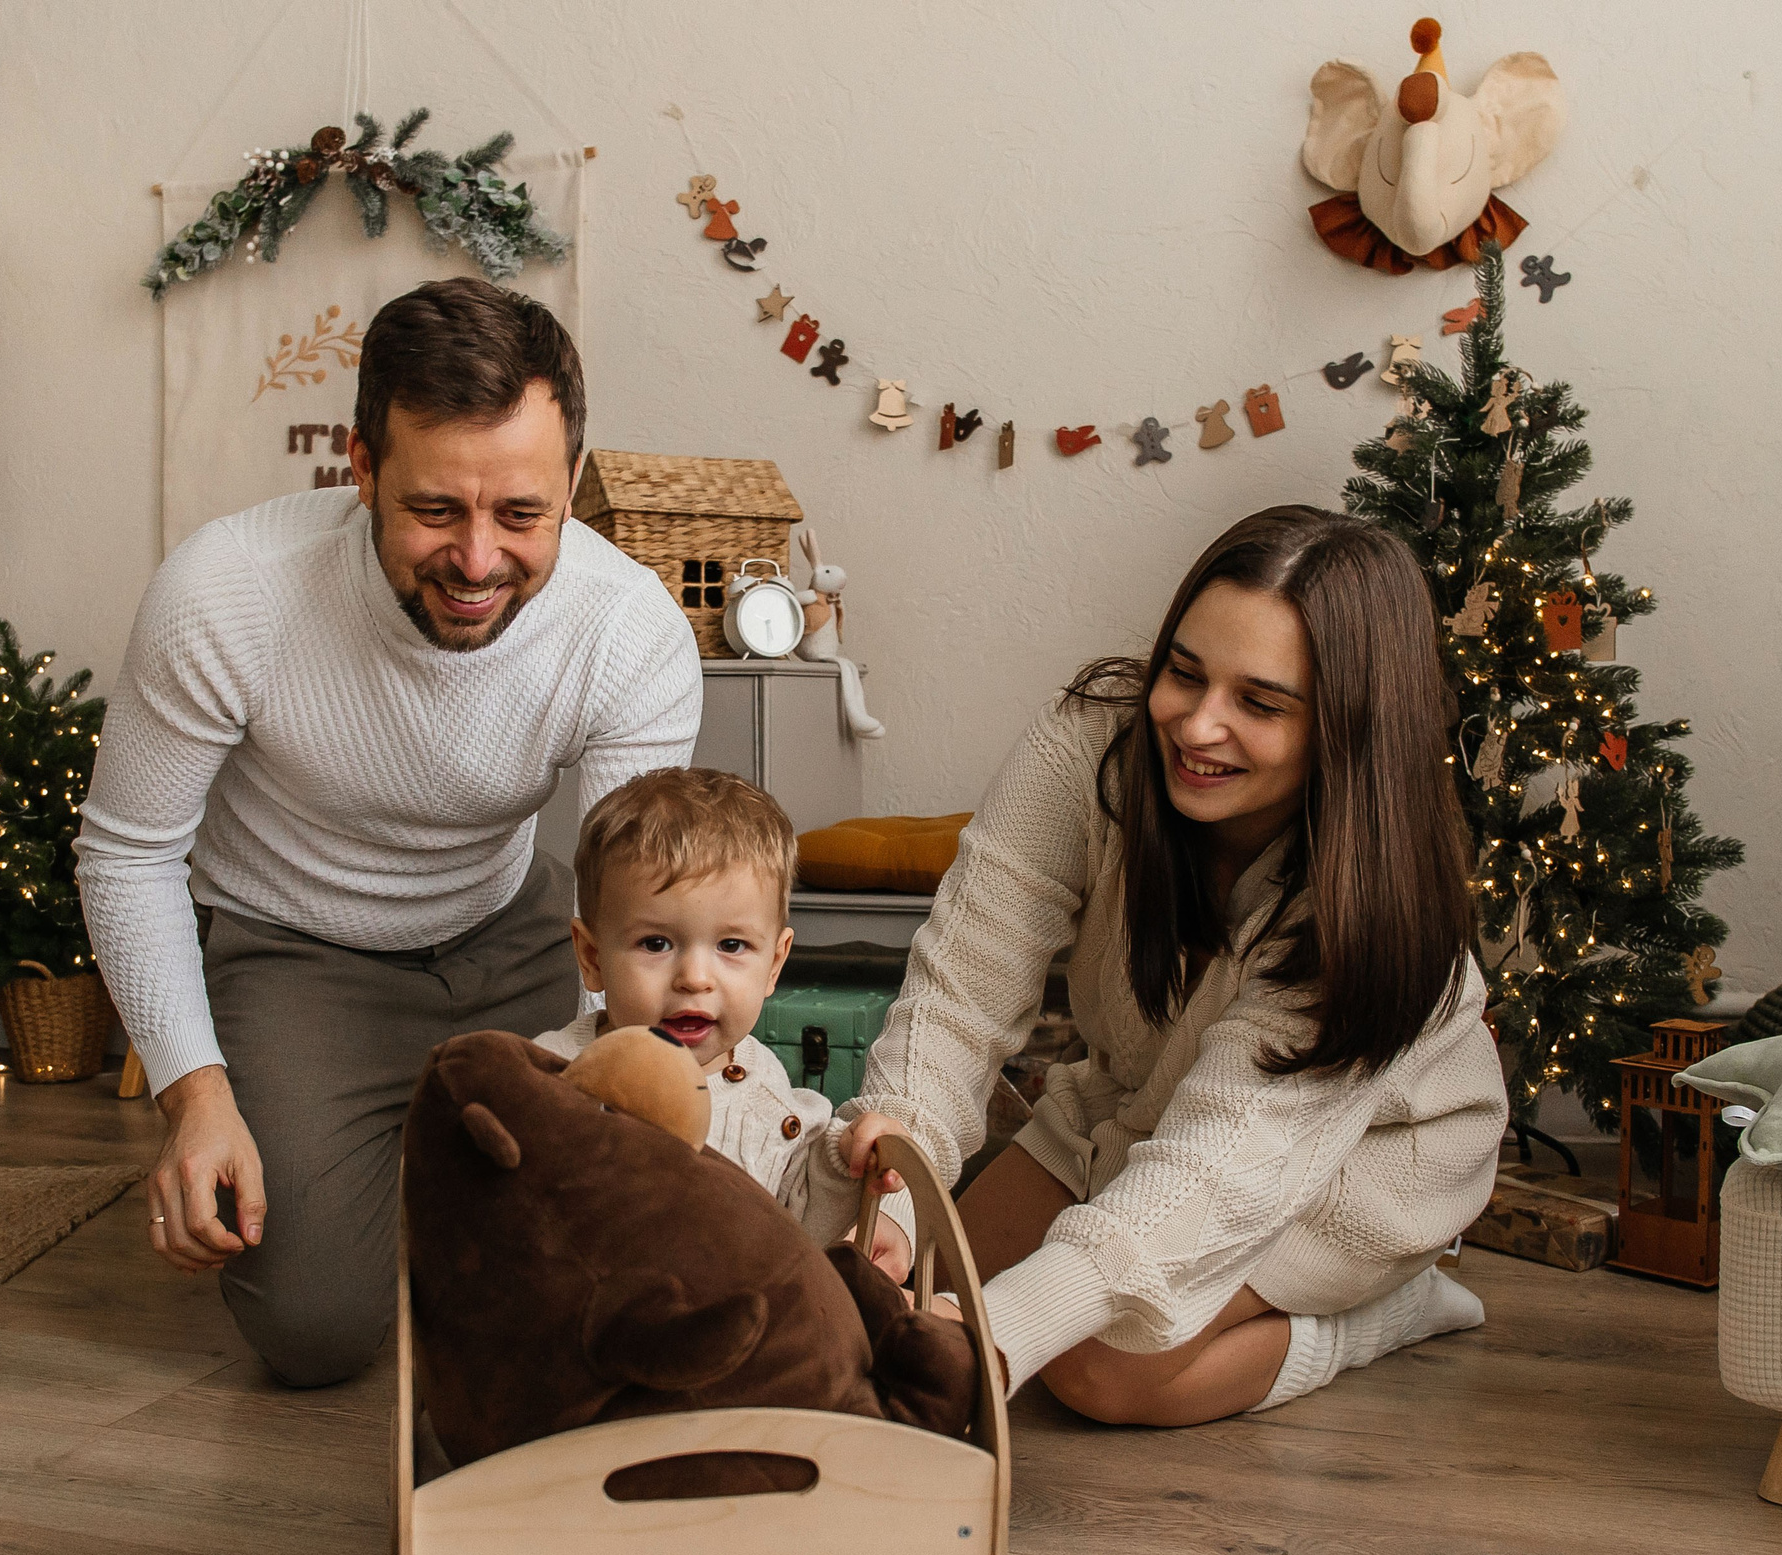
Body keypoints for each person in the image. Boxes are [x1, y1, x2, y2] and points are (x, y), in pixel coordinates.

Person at [75, 279, 702, 1387]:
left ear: (571, 484)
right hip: (295, 953)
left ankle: (421, 1174)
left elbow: (640, 905)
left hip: (514, 936)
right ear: (361, 469)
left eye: (522, 515)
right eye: (435, 510)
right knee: (312, 1332)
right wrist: (196, 1096)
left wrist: (648, 1083)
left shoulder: (628, 629)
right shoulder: (227, 591)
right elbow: (128, 854)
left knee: (613, 1248)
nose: (478, 561)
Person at [839, 505, 1508, 1425]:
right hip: (1142, 1103)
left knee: (1097, 1370)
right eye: (1185, 673)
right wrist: (896, 1191)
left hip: (1360, 1161)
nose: (1197, 725)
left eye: (1260, 704)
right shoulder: (1088, 746)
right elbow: (963, 986)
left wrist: (997, 1337)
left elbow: (1217, 1165)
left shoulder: (1370, 913)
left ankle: (1389, 1310)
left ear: (1347, 731)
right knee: (915, 1284)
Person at [533, 768, 916, 1278]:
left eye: (731, 945)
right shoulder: (551, 1074)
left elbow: (802, 1234)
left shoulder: (769, 1097)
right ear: (592, 956)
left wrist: (847, 1160)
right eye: (655, 943)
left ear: (774, 964)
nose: (695, 979)